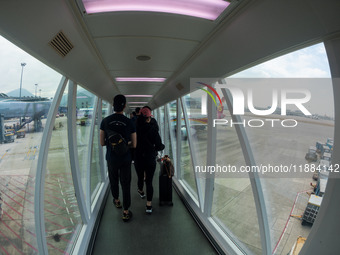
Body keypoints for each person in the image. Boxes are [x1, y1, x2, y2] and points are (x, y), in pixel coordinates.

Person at [100, 94, 136, 222]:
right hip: (125, 158)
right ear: (125, 106)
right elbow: (134, 143)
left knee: (113, 180)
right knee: (126, 184)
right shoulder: (129, 122)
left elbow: (102, 143)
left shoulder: (105, 121)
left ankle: (116, 200)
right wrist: (125, 144)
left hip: (111, 158)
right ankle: (126, 211)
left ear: (112, 104)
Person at [135, 107, 164, 214]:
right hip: (150, 158)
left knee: (140, 176)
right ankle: (149, 205)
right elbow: (159, 146)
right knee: (149, 181)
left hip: (138, 158)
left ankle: (141, 191)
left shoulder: (135, 128)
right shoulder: (153, 129)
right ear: (149, 118)